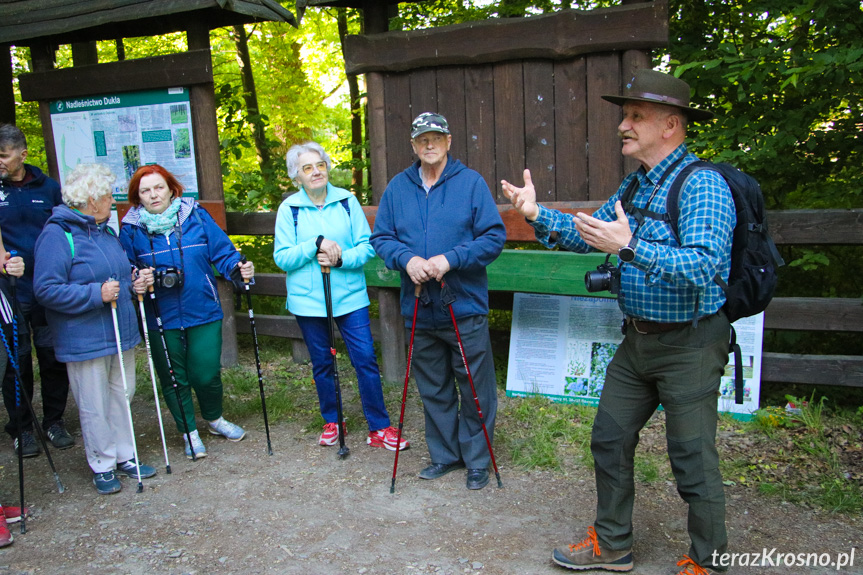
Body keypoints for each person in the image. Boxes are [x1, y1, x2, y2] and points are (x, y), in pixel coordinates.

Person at [501, 69, 734, 574]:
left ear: (670, 125)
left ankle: (708, 561)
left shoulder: (704, 186)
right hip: (638, 340)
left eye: (635, 117)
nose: (623, 126)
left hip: (691, 343)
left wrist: (629, 247)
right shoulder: (635, 185)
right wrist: (538, 214)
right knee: (609, 437)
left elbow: (703, 266)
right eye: (624, 116)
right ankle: (613, 545)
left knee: (693, 460)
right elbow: (588, 233)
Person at [371, 113, 505, 490]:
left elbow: (493, 237)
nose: (429, 144)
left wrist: (451, 259)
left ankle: (478, 459)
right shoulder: (398, 188)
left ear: (448, 142)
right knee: (433, 386)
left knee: (474, 386)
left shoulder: (471, 184)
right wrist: (407, 259)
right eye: (421, 139)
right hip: (418, 306)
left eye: (436, 138)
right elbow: (382, 238)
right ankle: (446, 455)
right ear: (413, 146)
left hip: (462, 304)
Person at [273, 142, 409, 451]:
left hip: (349, 296)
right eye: (307, 168)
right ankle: (333, 420)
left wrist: (340, 259)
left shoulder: (347, 202)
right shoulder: (289, 210)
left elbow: (367, 246)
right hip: (308, 300)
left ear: (327, 167)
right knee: (322, 363)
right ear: (297, 176)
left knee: (365, 360)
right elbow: (282, 257)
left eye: (319, 164)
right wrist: (315, 244)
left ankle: (379, 427)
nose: (316, 171)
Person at [33, 163, 157, 494]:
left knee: (123, 393)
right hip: (84, 337)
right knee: (93, 401)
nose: (111, 201)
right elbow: (45, 289)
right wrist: (95, 294)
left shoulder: (105, 231)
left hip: (120, 330)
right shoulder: (58, 235)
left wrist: (135, 283)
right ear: (91, 199)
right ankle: (102, 463)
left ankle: (124, 454)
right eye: (106, 195)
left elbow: (117, 277)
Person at [119, 164, 253, 460]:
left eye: (158, 187)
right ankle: (188, 431)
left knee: (205, 374)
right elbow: (124, 268)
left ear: (171, 188)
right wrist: (136, 279)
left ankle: (214, 419)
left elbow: (224, 252)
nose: (153, 195)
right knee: (172, 376)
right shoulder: (130, 229)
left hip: (202, 308)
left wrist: (239, 269)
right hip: (159, 315)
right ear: (137, 197)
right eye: (145, 191)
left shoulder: (196, 216)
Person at [0, 124, 73, 457]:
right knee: (17, 361)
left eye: (3, 155)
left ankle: (54, 421)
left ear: (23, 154)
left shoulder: (49, 188)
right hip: (9, 292)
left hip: (47, 290)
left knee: (52, 356)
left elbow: (67, 229)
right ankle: (22, 428)